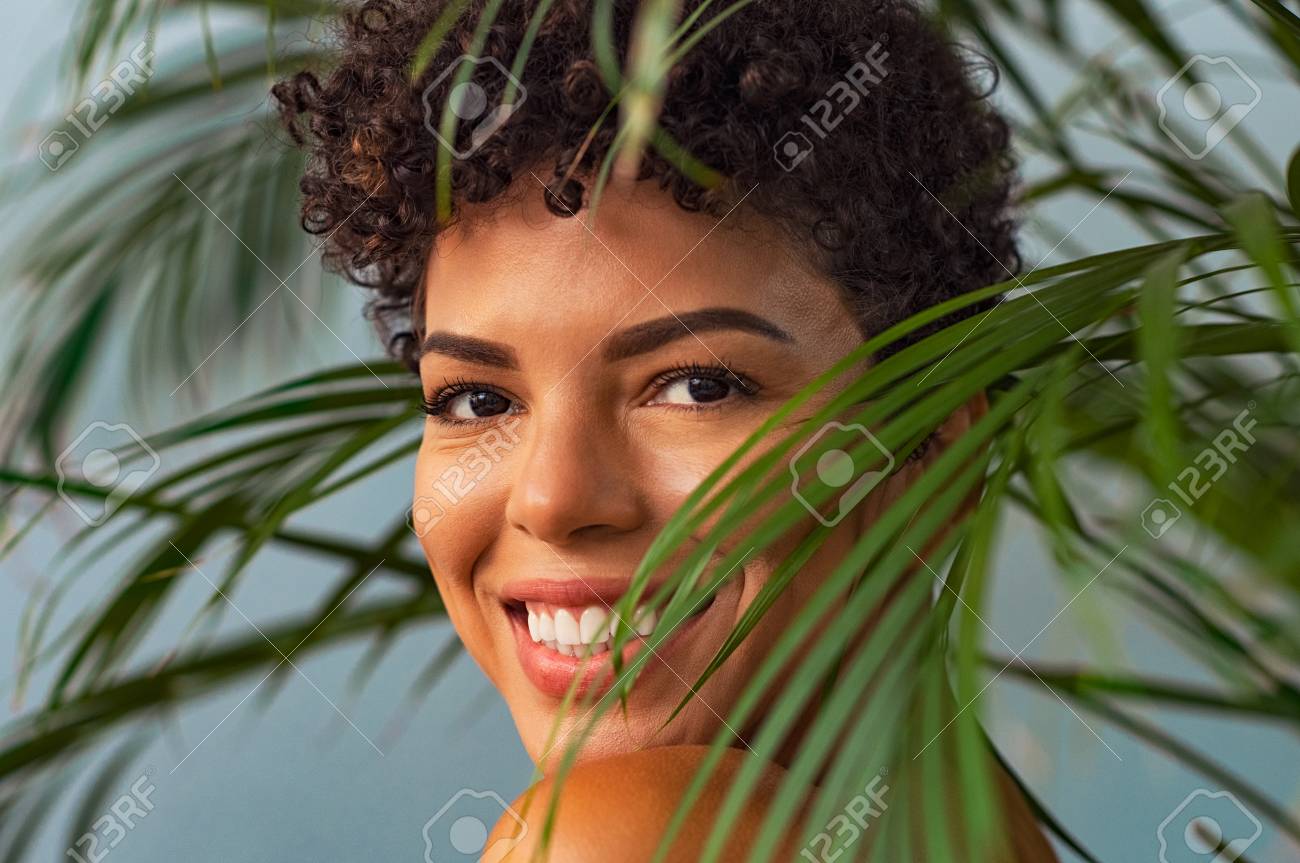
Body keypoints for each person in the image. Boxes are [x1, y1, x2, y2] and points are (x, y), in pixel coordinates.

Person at [275, 0, 1054, 858]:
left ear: (931, 452)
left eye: (696, 385)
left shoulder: (611, 839)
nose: (552, 497)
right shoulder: (974, 824)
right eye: (478, 402)